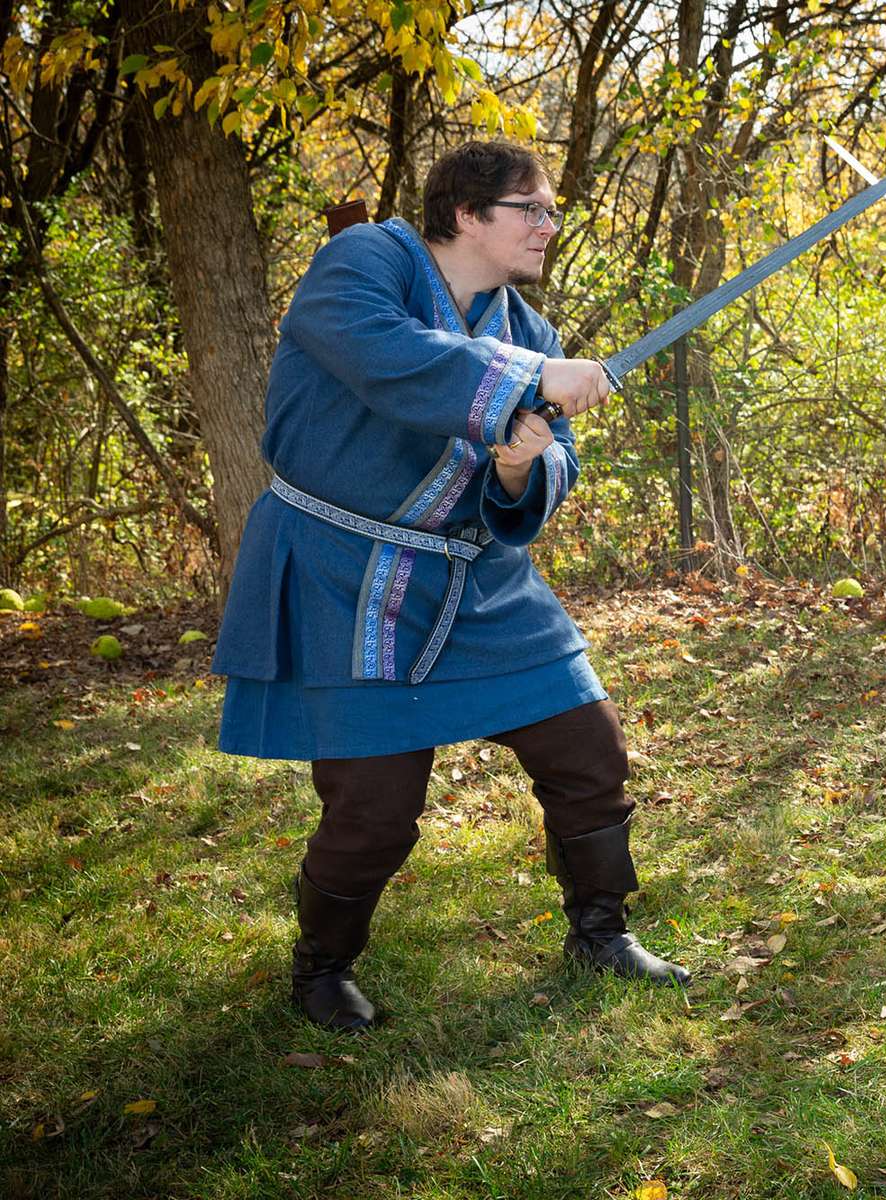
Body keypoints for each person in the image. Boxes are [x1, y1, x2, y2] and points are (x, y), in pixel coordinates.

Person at [212, 140, 689, 1033]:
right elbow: (387, 354)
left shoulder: (525, 326)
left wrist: (518, 472)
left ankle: (601, 931)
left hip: (477, 578)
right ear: (467, 214)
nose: (549, 226)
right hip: (340, 570)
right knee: (375, 808)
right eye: (532, 209)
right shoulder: (363, 262)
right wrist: (530, 380)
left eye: (551, 210)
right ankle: (321, 970)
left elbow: (556, 461)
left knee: (589, 751)